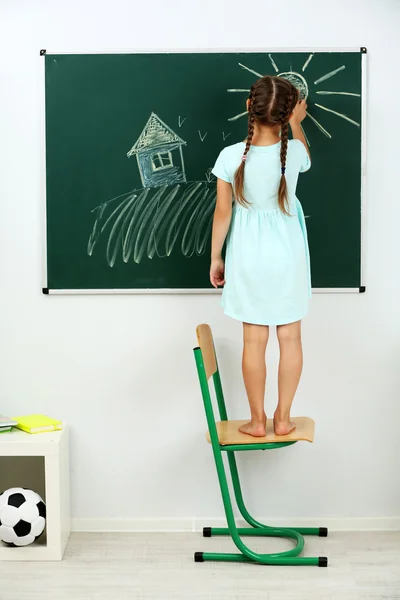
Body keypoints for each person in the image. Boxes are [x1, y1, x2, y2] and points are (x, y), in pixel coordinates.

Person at [210, 75, 311, 438]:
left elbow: (223, 213)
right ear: (287, 114)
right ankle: (283, 419)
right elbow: (305, 156)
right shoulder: (294, 152)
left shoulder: (228, 157)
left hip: (248, 258)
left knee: (254, 342)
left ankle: (256, 420)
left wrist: (215, 258)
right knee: (290, 340)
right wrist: (297, 124)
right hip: (288, 257)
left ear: (248, 108)